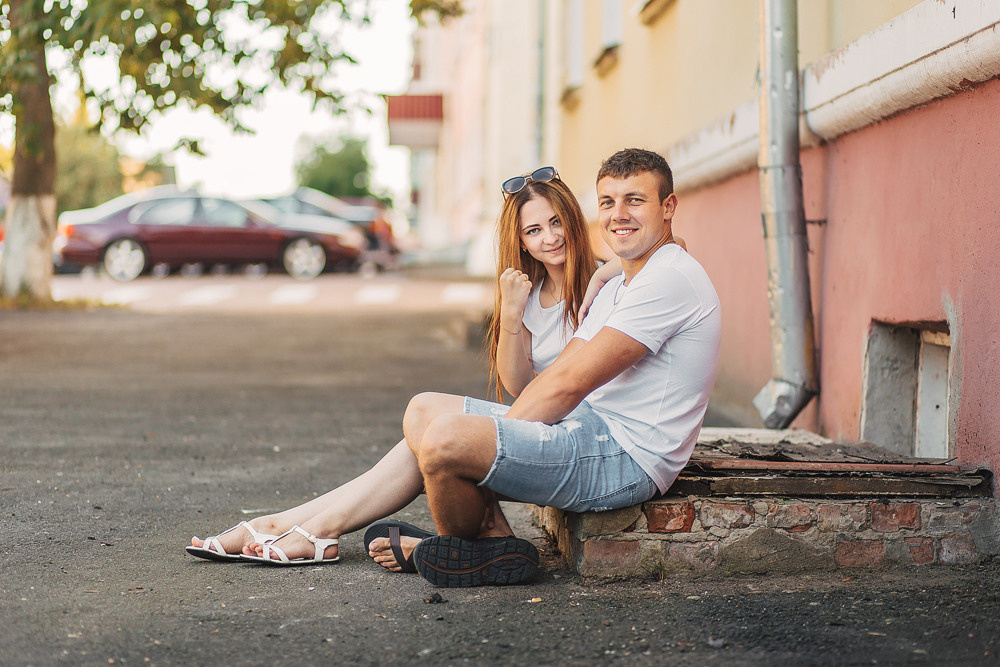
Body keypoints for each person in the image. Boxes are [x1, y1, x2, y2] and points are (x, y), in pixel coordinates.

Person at [185, 167, 616, 568]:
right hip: (540, 423)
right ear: (520, 241)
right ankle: (289, 524)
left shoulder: (608, 284)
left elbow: (655, 263)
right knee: (423, 422)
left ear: (574, 221)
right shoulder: (528, 292)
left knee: (433, 429)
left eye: (556, 222)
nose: (550, 237)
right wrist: (511, 315)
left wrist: (612, 268)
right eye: (534, 230)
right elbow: (518, 385)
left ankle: (312, 529)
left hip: (575, 434)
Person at [402, 148, 721, 587]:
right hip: (589, 425)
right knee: (423, 411)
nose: (619, 214)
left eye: (635, 200)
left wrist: (496, 443)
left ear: (668, 207)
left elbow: (569, 384)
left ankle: (458, 545)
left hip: (627, 456)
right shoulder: (623, 281)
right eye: (608, 202)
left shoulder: (667, 279)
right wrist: (498, 442)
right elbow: (558, 373)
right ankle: (489, 543)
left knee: (445, 439)